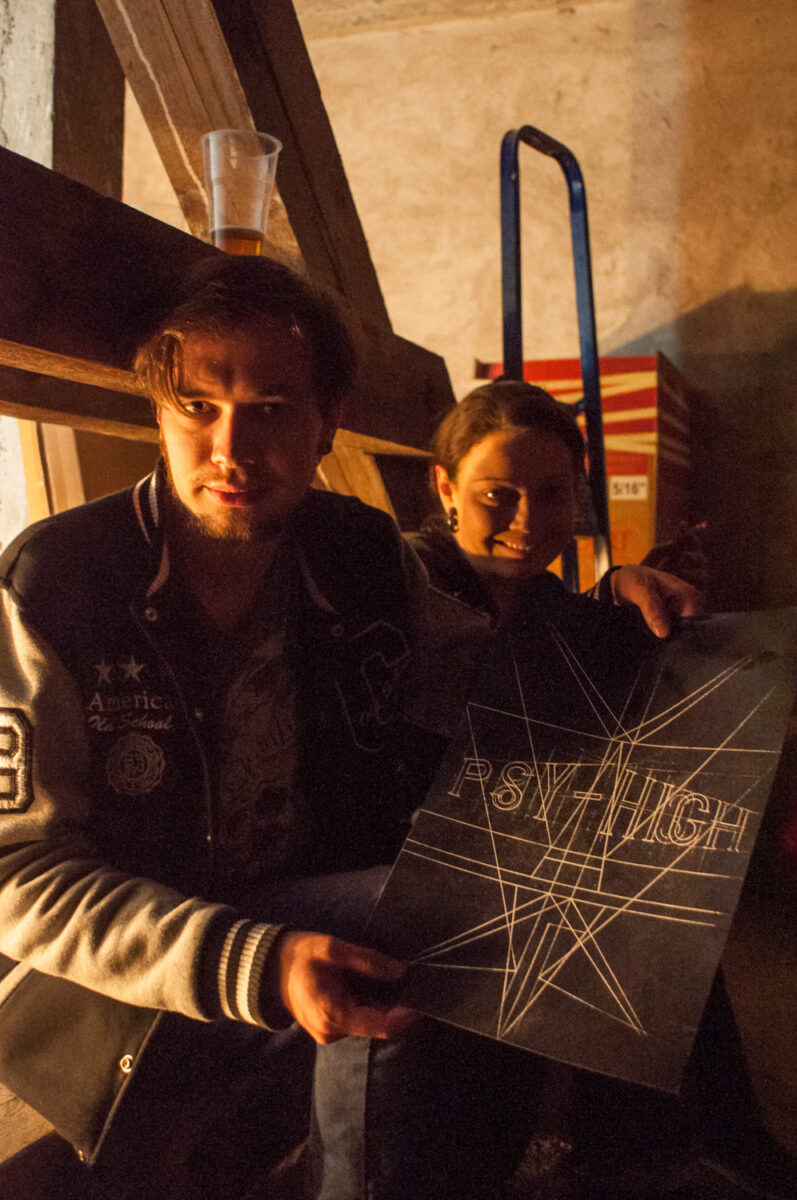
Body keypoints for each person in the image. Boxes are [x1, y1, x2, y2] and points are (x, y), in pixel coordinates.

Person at [0, 254, 426, 1200]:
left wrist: (613, 600)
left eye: (270, 408)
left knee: (449, 913)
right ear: (158, 412)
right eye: (197, 406)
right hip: (113, 962)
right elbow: (13, 876)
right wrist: (256, 962)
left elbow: (481, 650)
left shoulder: (359, 551)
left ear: (327, 422)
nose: (230, 449)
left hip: (288, 899)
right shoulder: (56, 578)